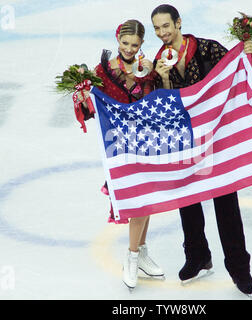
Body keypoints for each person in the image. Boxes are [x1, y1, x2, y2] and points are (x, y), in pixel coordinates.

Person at [151, 4, 252, 295]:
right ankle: (198, 258)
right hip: (184, 143)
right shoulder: (157, 63)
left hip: (216, 140)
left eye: (166, 25)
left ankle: (240, 269)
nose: (162, 33)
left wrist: (248, 54)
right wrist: (164, 79)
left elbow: (236, 72)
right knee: (187, 200)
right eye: (156, 28)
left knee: (226, 205)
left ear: (179, 23)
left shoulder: (207, 49)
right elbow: (160, 106)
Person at [79, 19, 164, 290]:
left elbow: (158, 102)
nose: (129, 49)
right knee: (138, 201)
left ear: (141, 45)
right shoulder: (102, 72)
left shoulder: (147, 69)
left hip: (147, 142)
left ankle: (140, 252)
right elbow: (93, 111)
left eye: (135, 45)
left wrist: (157, 76)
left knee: (147, 200)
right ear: (118, 40)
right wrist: (83, 97)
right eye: (125, 43)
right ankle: (132, 256)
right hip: (119, 147)